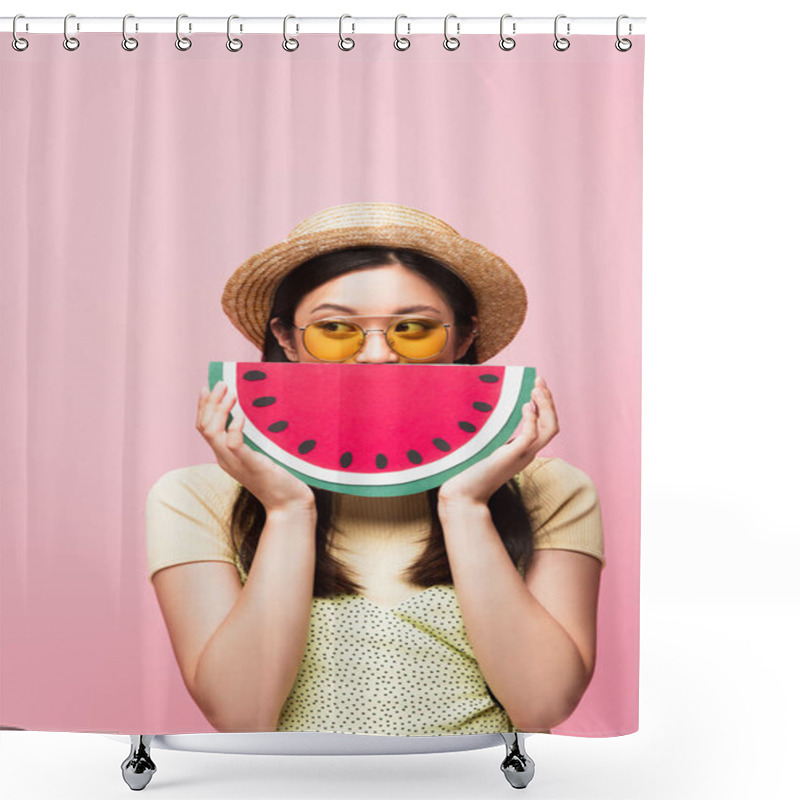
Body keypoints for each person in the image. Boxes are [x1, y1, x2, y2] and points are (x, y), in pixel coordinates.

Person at [146, 202, 605, 737]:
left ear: (462, 338)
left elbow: (544, 705)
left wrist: (466, 504)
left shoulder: (552, 489)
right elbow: (241, 715)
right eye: (335, 328)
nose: (376, 357)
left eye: (413, 328)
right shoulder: (193, 497)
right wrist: (287, 509)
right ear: (288, 340)